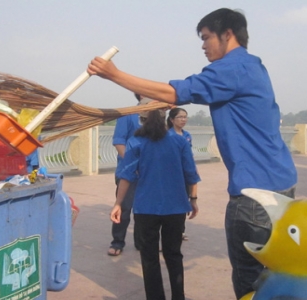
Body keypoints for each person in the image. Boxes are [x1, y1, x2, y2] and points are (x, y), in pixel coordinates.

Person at [88, 8, 297, 299]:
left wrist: (114, 75)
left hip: (255, 196)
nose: (203, 45)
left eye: (207, 37)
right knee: (272, 276)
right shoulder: (254, 68)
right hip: (282, 185)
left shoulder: (232, 67)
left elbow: (179, 92)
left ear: (228, 35)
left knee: (251, 281)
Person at [111, 109, 200, 300]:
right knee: (174, 254)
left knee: (149, 257)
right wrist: (193, 200)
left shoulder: (136, 142)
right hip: (175, 207)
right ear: (165, 120)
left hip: (146, 208)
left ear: (142, 121)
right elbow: (191, 173)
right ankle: (178, 296)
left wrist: (118, 203)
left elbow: (125, 175)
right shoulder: (179, 142)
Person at [108, 93, 143, 256]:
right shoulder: (128, 115)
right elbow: (119, 141)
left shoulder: (158, 117)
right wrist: (131, 163)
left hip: (148, 172)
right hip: (128, 171)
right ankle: (117, 242)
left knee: (144, 210)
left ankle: (141, 242)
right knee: (124, 206)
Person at [167, 108, 192, 242]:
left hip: (185, 175)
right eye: (180, 117)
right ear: (172, 120)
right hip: (172, 175)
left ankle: (180, 230)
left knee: (183, 202)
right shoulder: (168, 135)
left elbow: (189, 156)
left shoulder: (187, 135)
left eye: (185, 117)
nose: (183, 120)